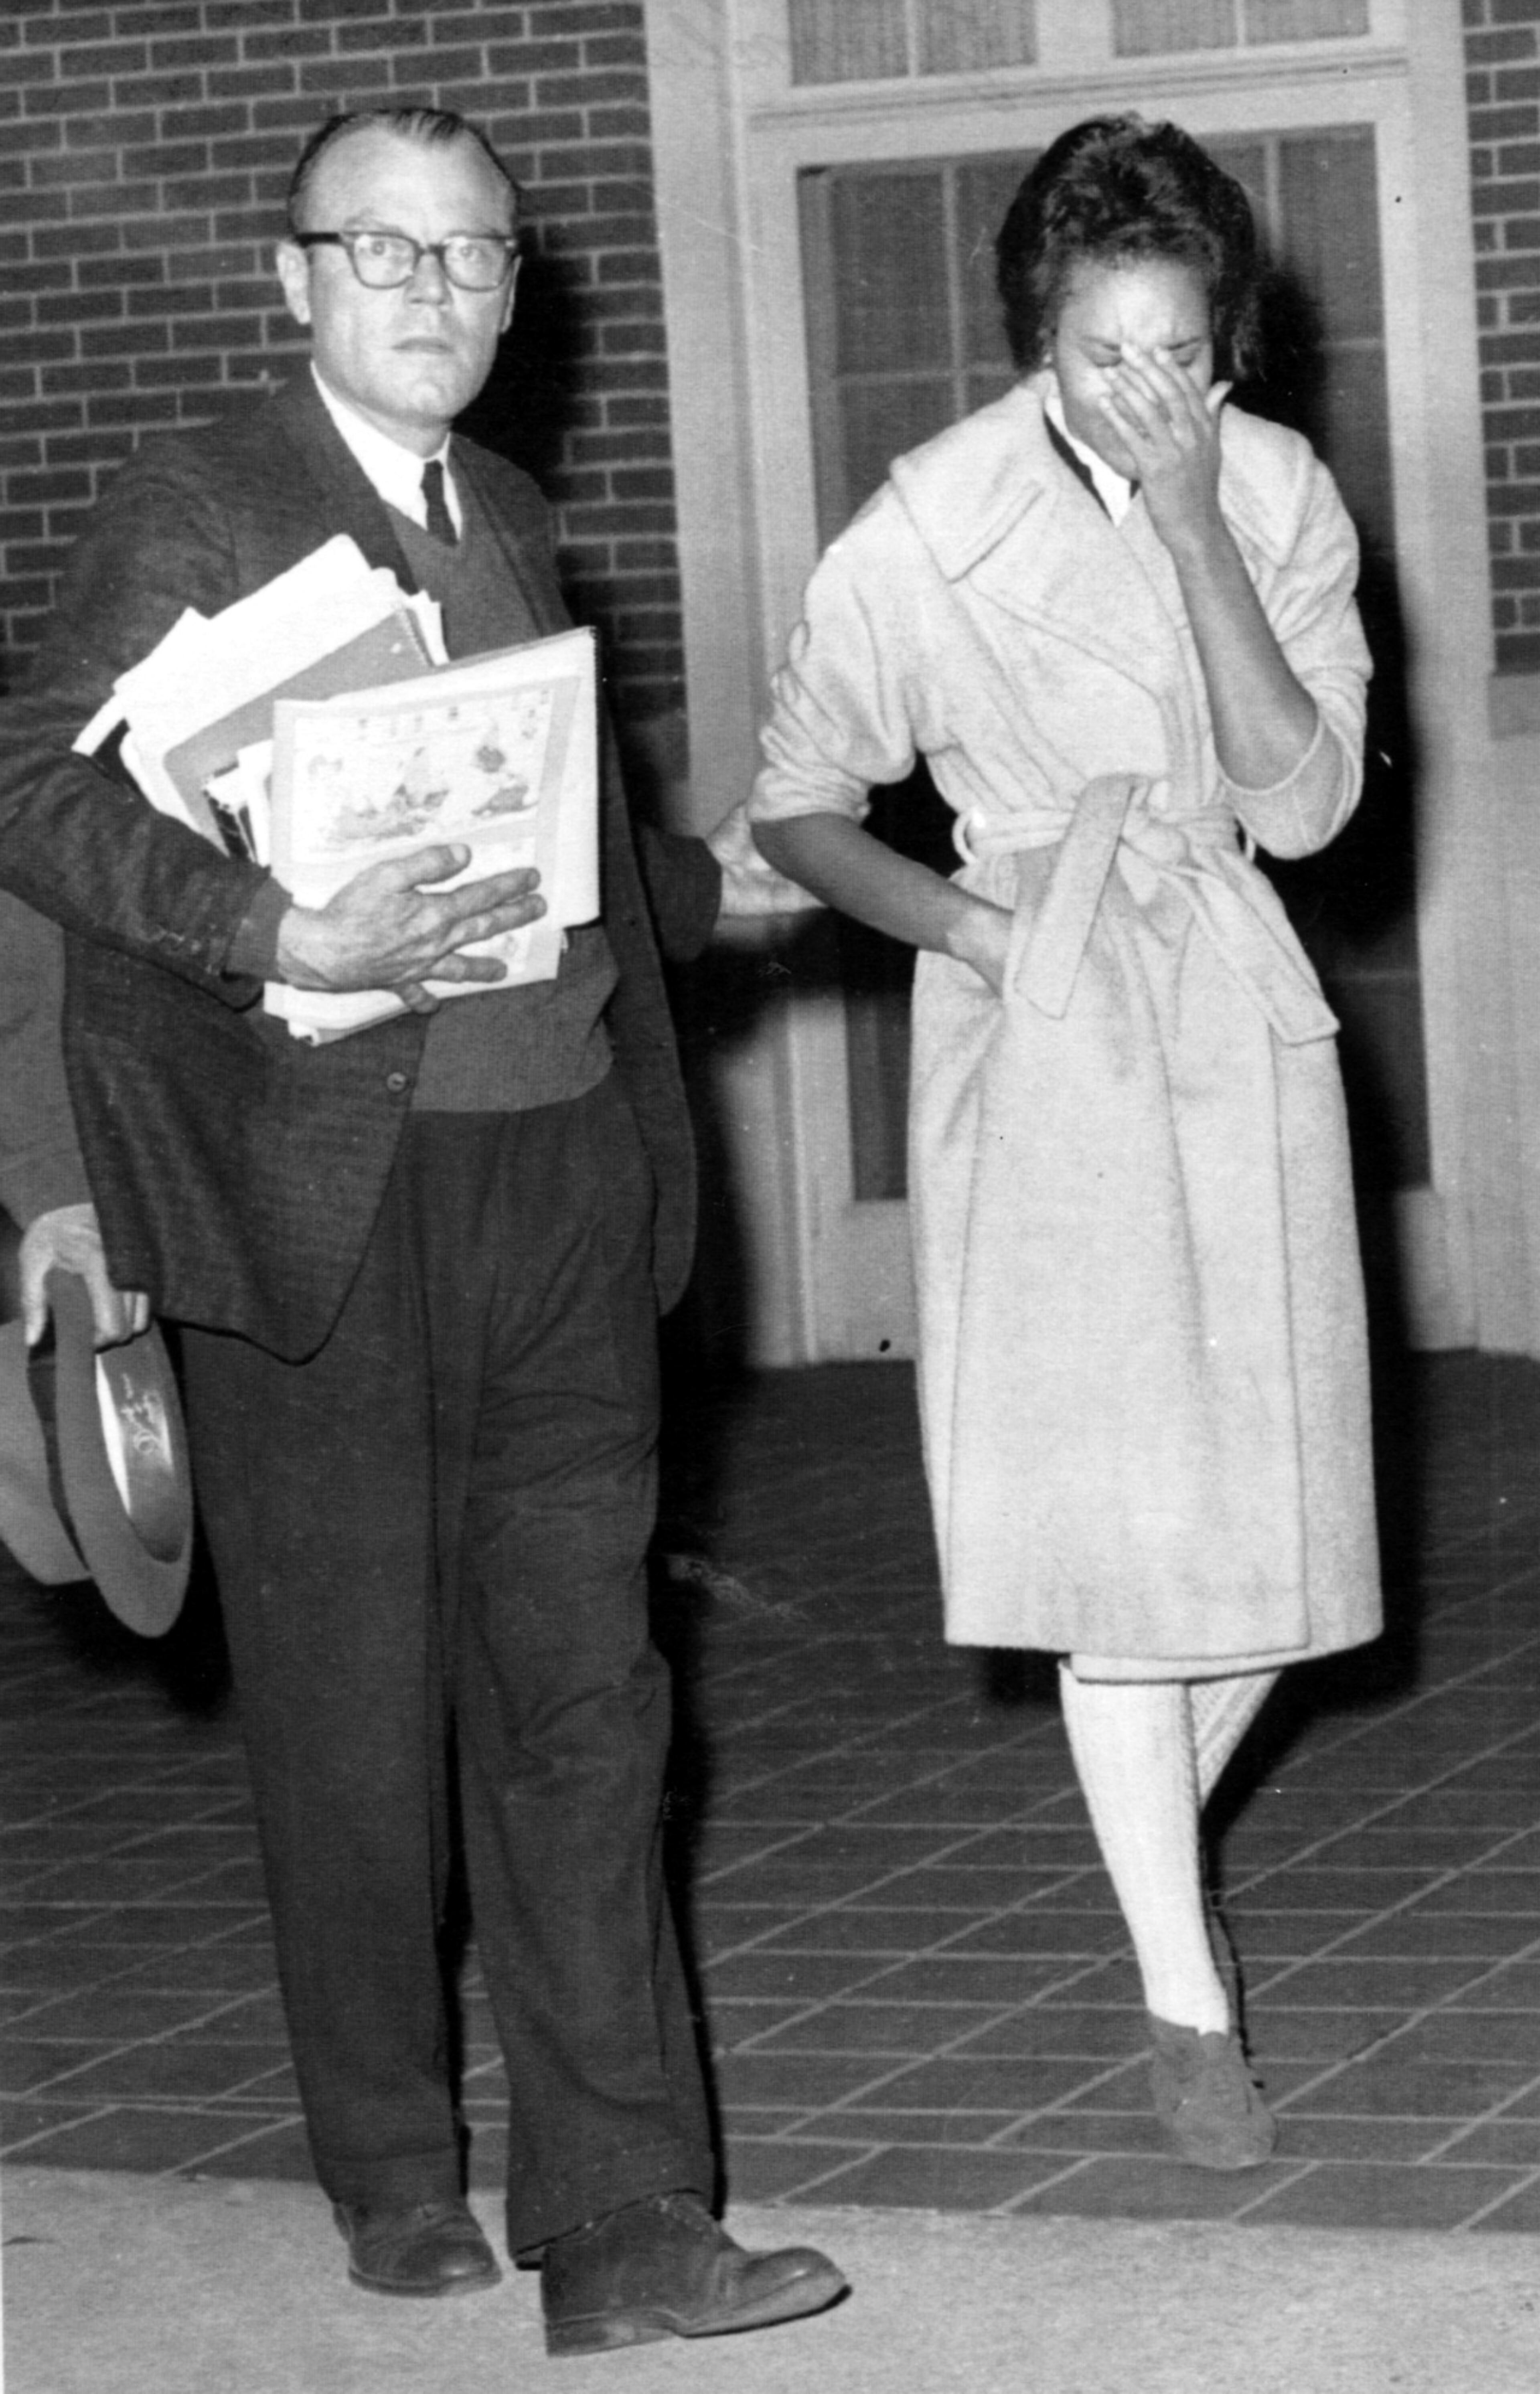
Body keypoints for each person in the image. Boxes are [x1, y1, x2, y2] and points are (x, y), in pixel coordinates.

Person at [0, 105, 846, 2351]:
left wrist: (715, 891)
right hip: (330, 1196)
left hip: (563, 1162)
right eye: (389, 255)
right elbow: (31, 794)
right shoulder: (202, 498)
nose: (443, 296)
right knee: (356, 1700)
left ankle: (626, 2210)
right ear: (294, 279)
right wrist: (266, 915)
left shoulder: (521, 517)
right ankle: (387, 2153)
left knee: (591, 1694)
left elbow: (542, 834)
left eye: (478, 259)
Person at [749, 115, 1381, 2171]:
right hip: (1043, 1017)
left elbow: (1308, 812)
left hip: (1233, 985)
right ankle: (1186, 2001)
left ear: (1231, 348)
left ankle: (1148, 1858)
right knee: (1128, 1557)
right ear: (1037, 334)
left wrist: (1199, 529)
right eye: (1102, 352)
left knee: (1275, 1564)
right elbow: (799, 800)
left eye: (1180, 354)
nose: (1141, 392)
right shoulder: (922, 527)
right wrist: (979, 928)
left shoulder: (1279, 496)